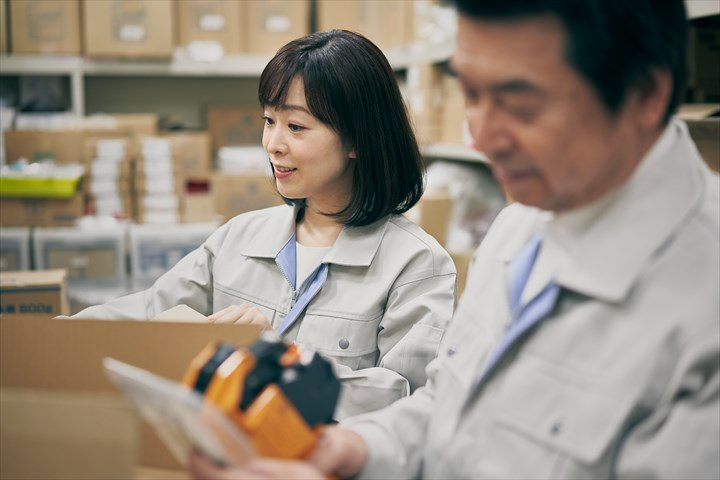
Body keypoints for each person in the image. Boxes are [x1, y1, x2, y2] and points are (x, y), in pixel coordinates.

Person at [188, 0, 720, 478]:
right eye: (470, 92)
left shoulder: (703, 312)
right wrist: (356, 450)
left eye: (521, 103)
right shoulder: (520, 226)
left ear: (645, 94)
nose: (481, 136)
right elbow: (450, 404)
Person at [70, 30, 456, 419]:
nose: (273, 143)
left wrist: (281, 361)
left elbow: (412, 402)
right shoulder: (240, 237)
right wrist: (44, 338)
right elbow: (147, 313)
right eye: (269, 120)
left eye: (296, 127)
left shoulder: (416, 264)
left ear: (358, 139)